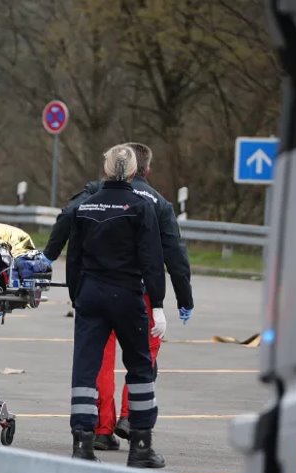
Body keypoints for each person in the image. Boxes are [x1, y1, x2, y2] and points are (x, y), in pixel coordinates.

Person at [44, 141, 194, 451]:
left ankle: (99, 430)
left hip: (92, 293)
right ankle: (134, 425)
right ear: (144, 169)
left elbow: (69, 227)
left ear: (108, 167)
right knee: (143, 361)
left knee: (97, 363)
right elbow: (169, 258)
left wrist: (63, 277)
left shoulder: (91, 197)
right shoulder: (156, 204)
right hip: (135, 293)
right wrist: (180, 300)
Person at [67, 144, 166, 468]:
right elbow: (152, 260)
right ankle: (140, 445)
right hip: (127, 294)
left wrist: (76, 294)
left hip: (91, 293)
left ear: (106, 170)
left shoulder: (87, 206)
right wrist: (159, 303)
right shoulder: (140, 206)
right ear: (135, 172)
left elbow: (75, 258)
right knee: (139, 367)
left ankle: (83, 443)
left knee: (86, 368)